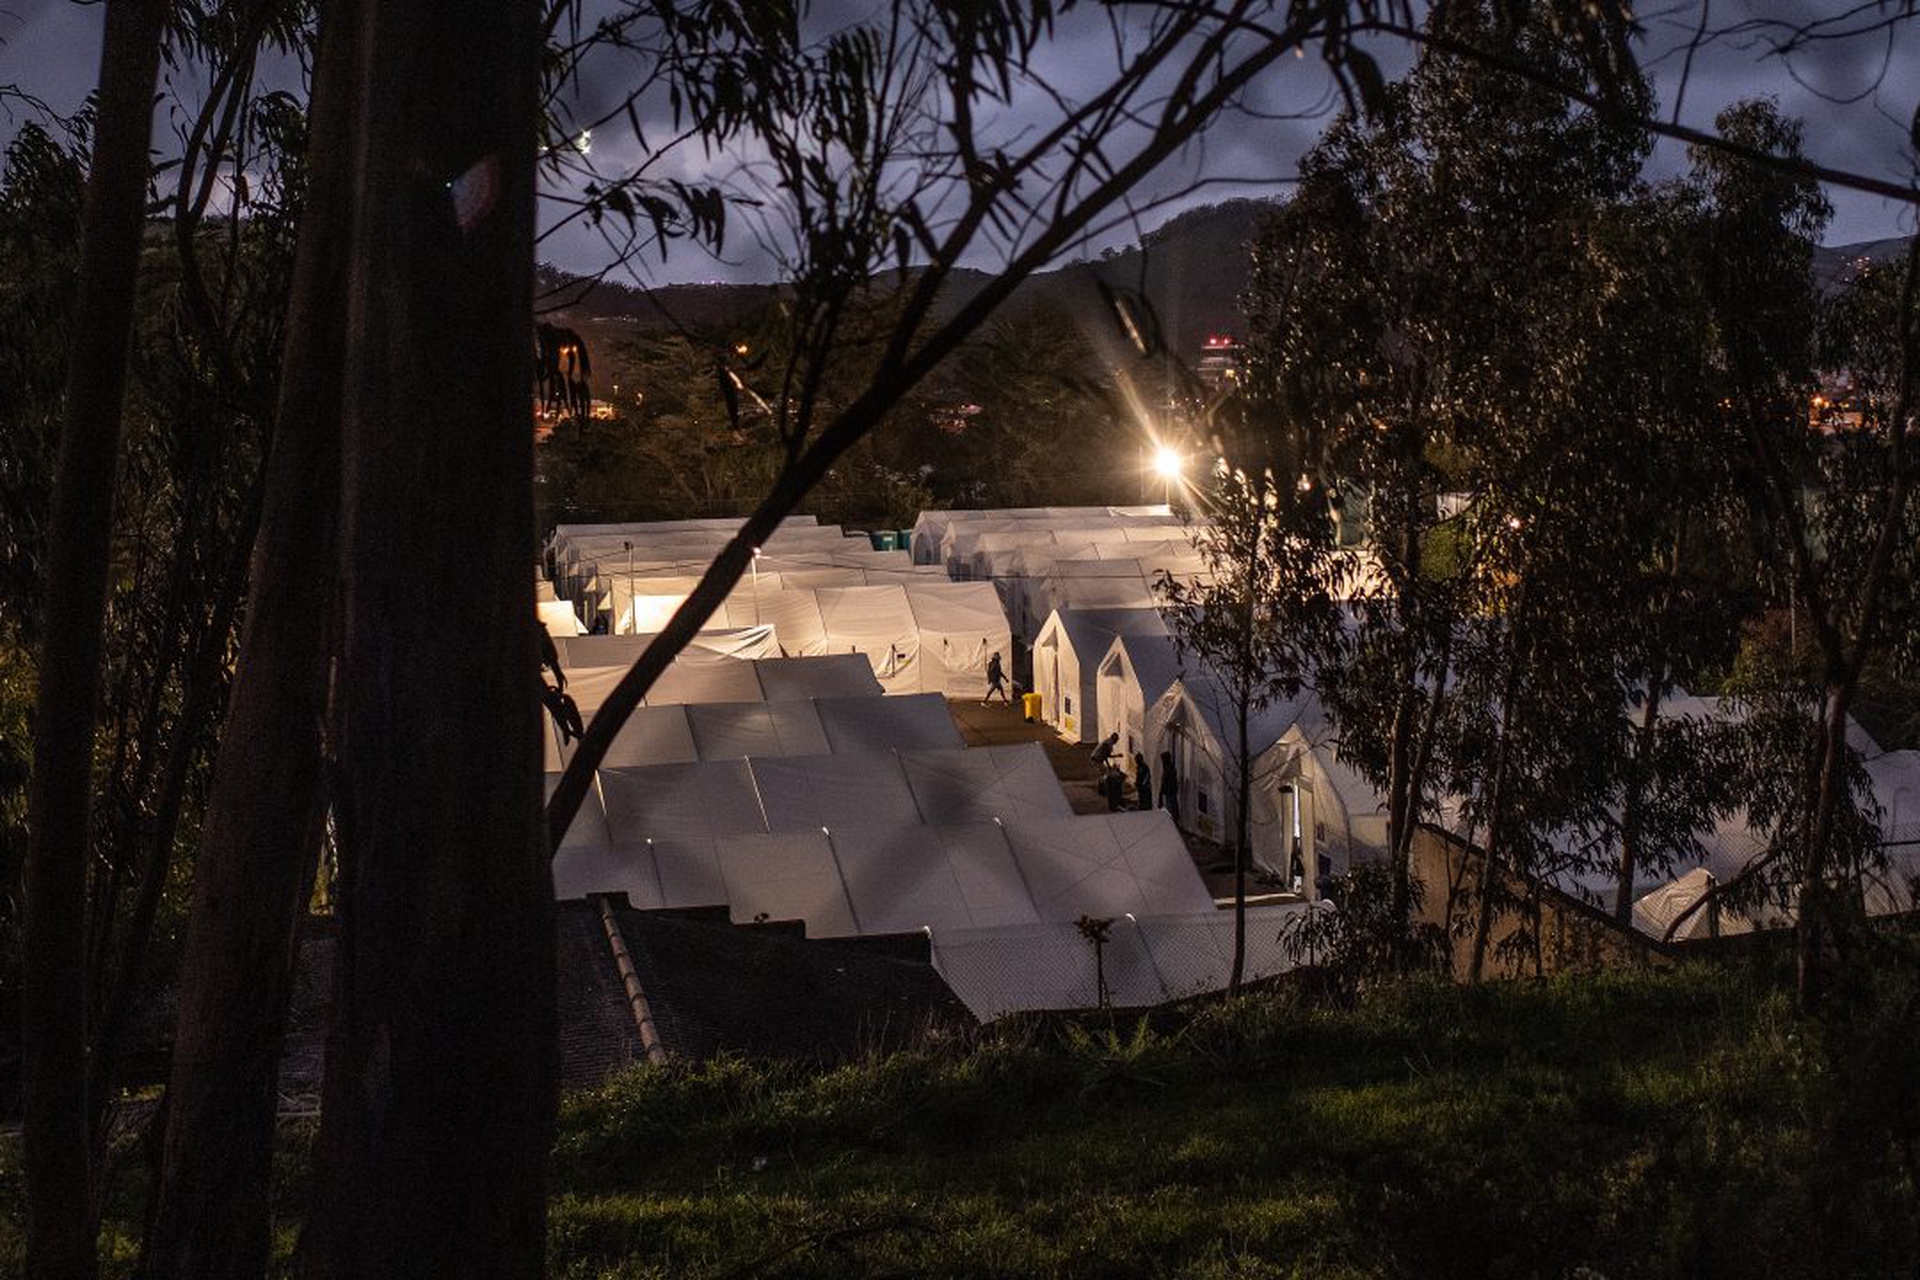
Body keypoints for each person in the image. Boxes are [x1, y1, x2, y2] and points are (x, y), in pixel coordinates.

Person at [1158, 750, 1181, 824]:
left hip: (1170, 792)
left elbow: (1164, 782)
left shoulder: (1168, 769)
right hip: (1170, 791)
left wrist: (1161, 794)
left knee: (1171, 807)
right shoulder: (1170, 768)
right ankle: (1174, 820)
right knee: (1172, 806)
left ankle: (1173, 822)